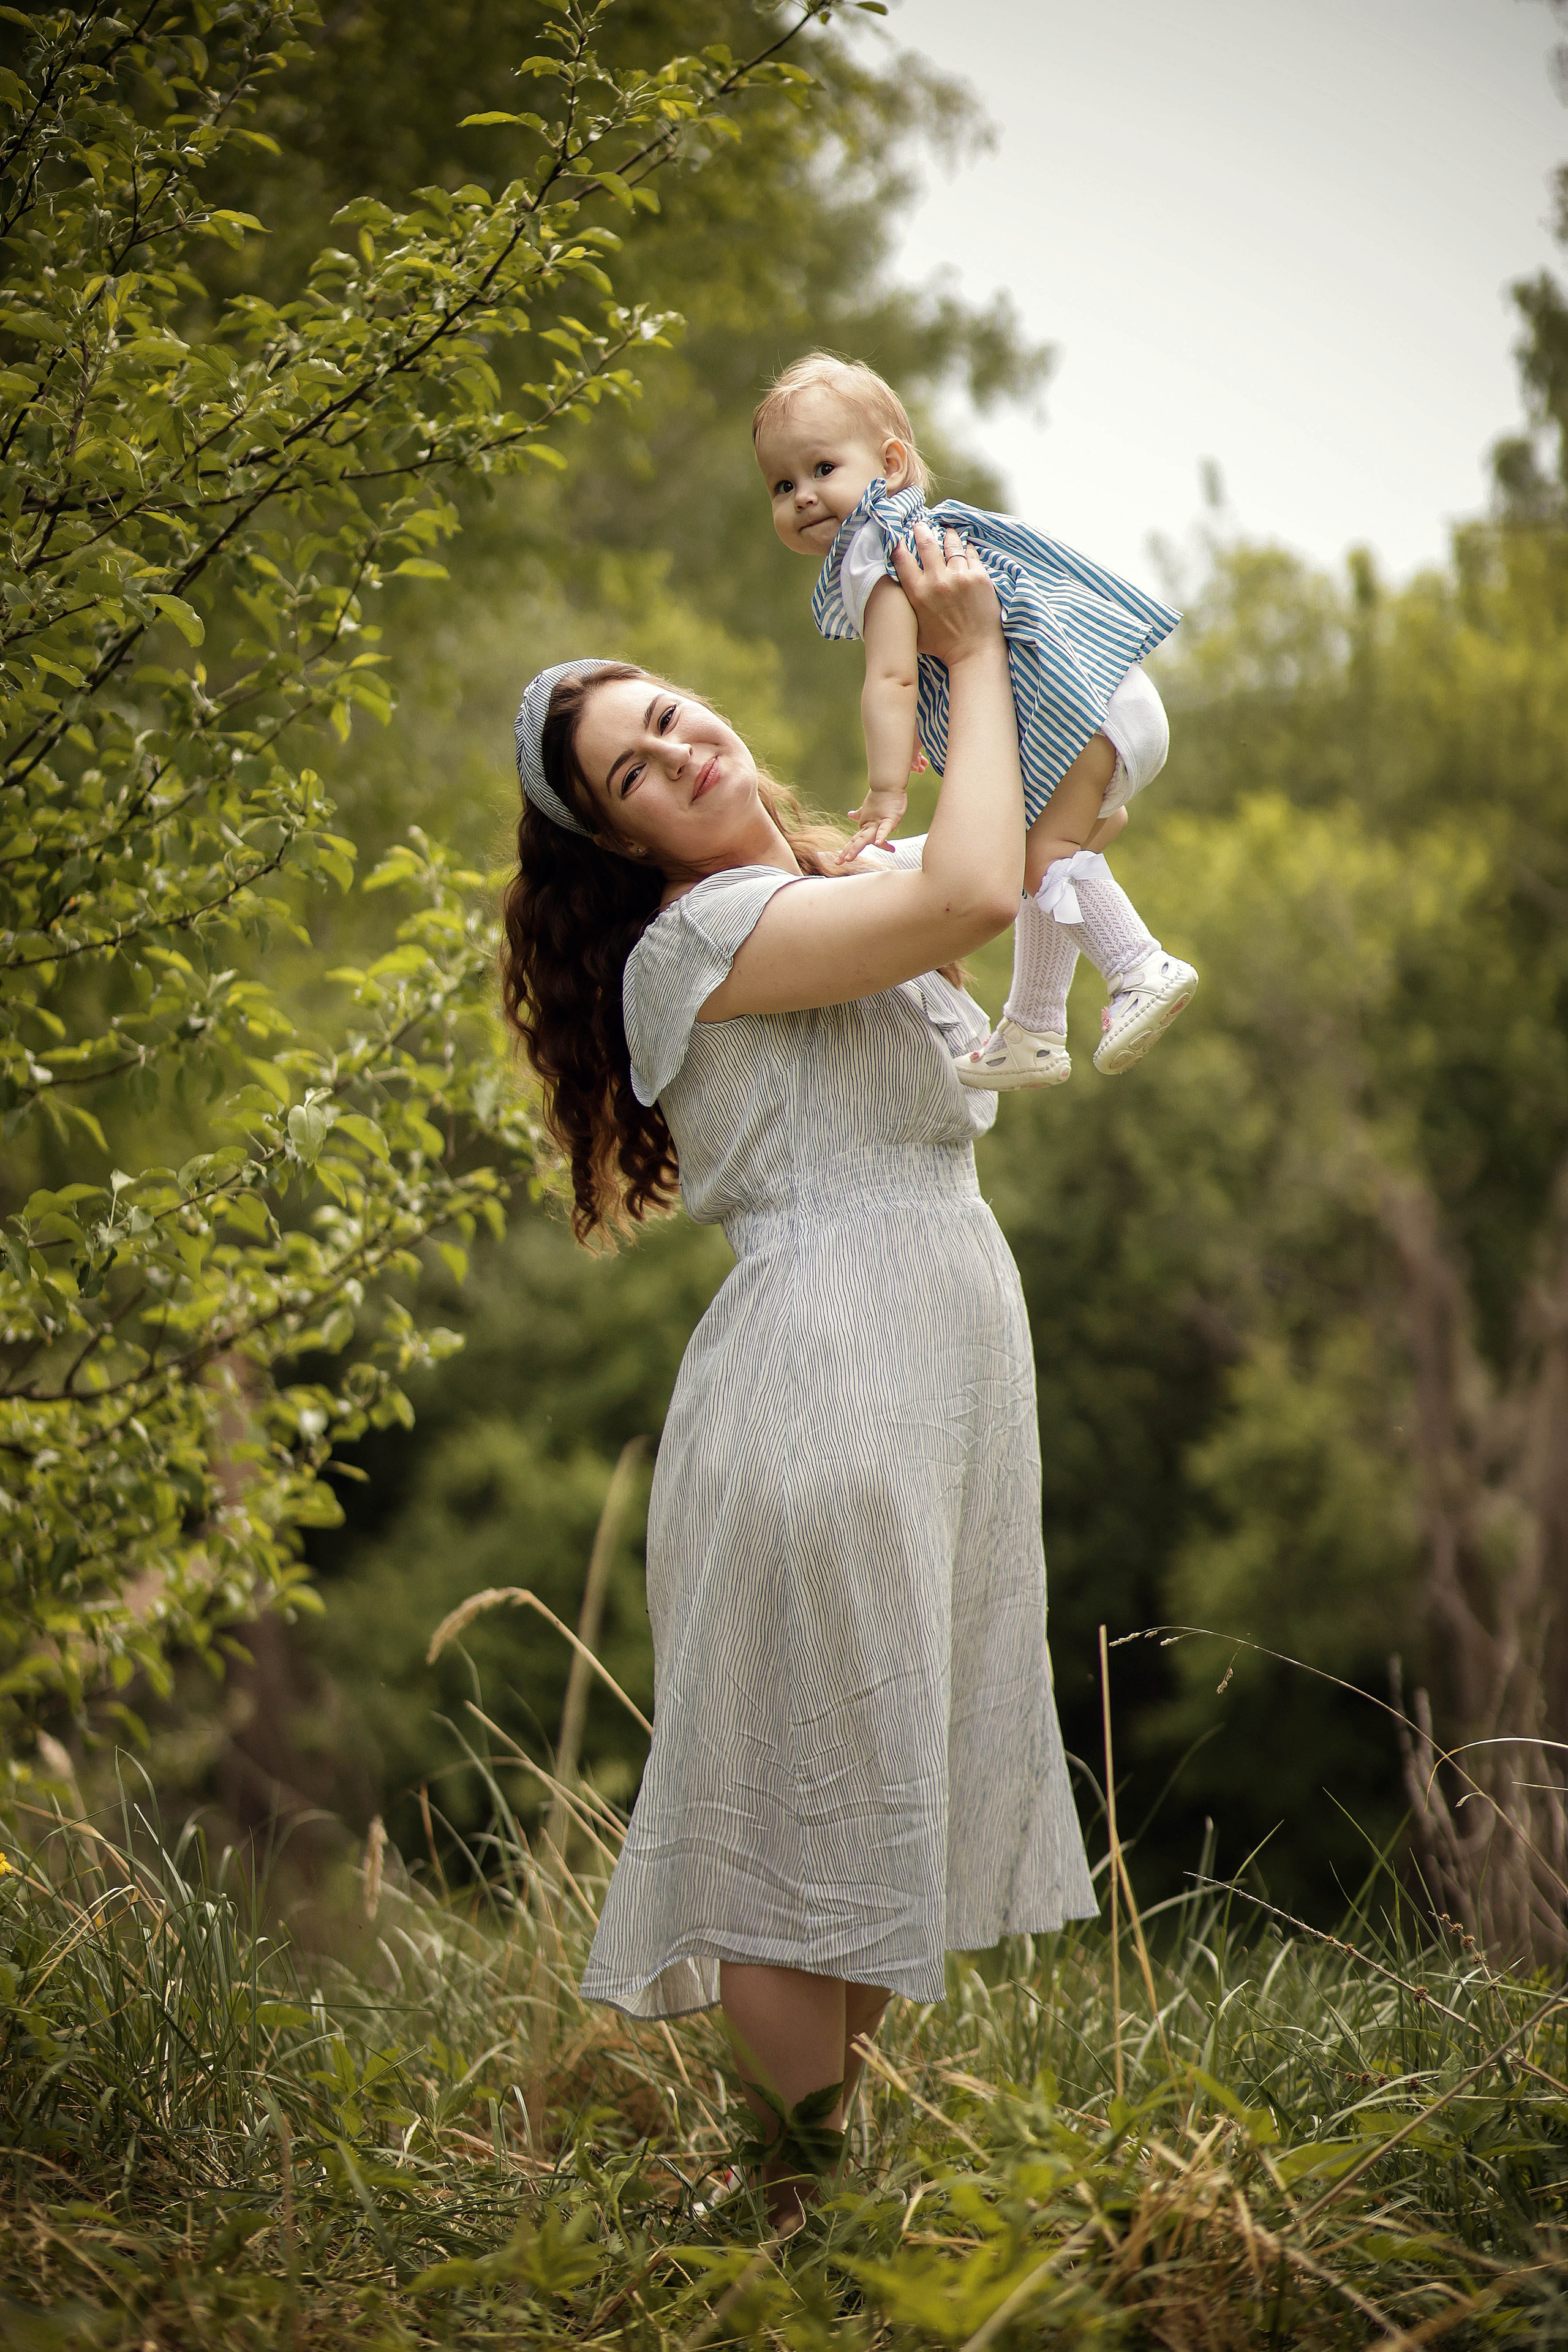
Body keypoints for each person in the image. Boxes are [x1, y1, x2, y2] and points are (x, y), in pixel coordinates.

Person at [500, 522, 1096, 2230]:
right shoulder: (698, 939)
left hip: (936, 1366)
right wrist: (965, 662)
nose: (683, 746)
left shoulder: (833, 880)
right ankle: (793, 2226)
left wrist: (993, 650)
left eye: (671, 712)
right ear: (621, 839)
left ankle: (797, 2206)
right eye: (636, 765)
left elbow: (1018, 857)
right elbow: (976, 898)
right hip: (820, 1382)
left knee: (887, 1807)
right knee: (793, 1835)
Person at [753, 350, 1199, 1089]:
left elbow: (891, 677)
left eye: (822, 469)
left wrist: (888, 787)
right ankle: (1032, 1029)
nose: (802, 496)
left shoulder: (876, 552)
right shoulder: (917, 529)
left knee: (1044, 854)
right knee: (1030, 854)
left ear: (889, 462)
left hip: (1081, 716)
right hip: (1109, 700)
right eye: (781, 484)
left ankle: (1137, 967)